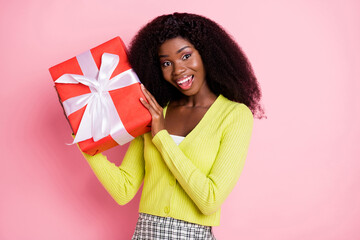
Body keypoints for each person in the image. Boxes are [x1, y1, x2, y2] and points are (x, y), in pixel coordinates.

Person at [80, 12, 264, 239]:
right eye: (167, 63)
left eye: (186, 56)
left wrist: (162, 137)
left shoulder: (235, 116)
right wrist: (85, 139)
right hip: (145, 233)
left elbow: (210, 200)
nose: (178, 70)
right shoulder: (154, 111)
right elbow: (124, 190)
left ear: (206, 54)